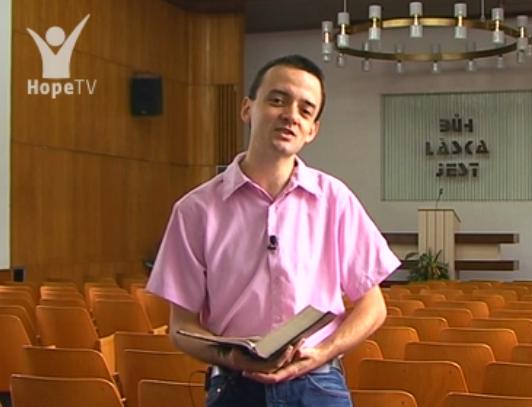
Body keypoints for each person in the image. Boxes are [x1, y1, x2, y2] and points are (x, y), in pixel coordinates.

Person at [146, 54, 400, 406]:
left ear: (312, 130)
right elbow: (181, 328)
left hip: (318, 382)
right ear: (247, 109)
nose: (291, 115)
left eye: (305, 110)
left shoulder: (335, 199)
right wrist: (236, 357)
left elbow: (373, 307)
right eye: (278, 100)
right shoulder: (195, 210)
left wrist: (323, 352)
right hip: (234, 386)